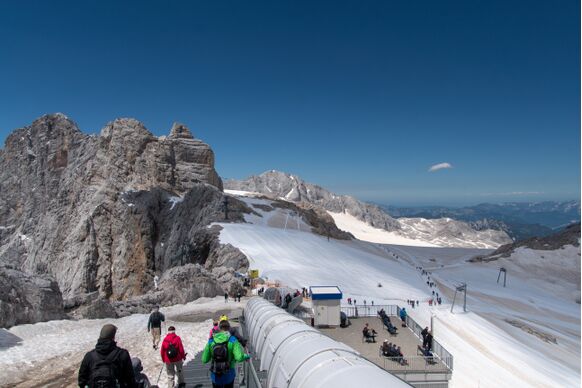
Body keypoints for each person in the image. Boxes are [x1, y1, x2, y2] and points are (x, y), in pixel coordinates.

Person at [78, 324, 136, 388]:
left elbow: (81, 381)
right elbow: (130, 380)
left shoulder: (89, 356)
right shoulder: (122, 354)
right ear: (113, 337)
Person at [202, 320, 250, 388]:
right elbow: (239, 358)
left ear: (219, 328)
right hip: (229, 375)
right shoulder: (233, 340)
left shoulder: (211, 341)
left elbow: (204, 359)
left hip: (215, 375)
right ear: (229, 328)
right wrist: (246, 356)